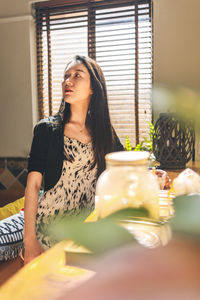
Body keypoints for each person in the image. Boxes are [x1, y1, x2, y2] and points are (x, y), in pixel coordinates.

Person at [24, 55, 123, 265]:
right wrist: (30, 241)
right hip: (50, 230)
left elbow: (124, 166)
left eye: (77, 75)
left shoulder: (104, 134)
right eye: (66, 76)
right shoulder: (46, 130)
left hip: (86, 229)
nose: (68, 81)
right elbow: (33, 186)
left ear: (93, 88)